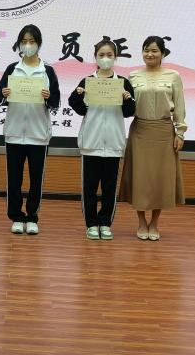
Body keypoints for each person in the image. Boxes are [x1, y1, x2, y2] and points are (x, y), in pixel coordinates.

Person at [119, 36, 187, 241]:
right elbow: (127, 107)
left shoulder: (173, 76)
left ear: (163, 54)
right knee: (140, 178)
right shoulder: (133, 76)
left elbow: (179, 106)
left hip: (164, 132)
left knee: (160, 180)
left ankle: (155, 223)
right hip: (140, 130)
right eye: (146, 50)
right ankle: (141, 221)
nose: (150, 54)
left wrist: (180, 133)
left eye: (154, 50)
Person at [0, 25, 60, 235]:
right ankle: (16, 216)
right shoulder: (12, 69)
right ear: (19, 44)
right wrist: (5, 93)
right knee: (14, 179)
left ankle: (32, 217)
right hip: (14, 133)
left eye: (32, 41)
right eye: (24, 41)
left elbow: (56, 102)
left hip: (38, 134)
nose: (28, 45)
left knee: (36, 179)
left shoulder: (48, 71)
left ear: (39, 44)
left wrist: (48, 97)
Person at [69, 39, 135, 241]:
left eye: (109, 55)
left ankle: (105, 223)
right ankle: (91, 224)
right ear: (95, 57)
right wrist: (78, 95)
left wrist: (127, 98)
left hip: (113, 143)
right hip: (91, 142)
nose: (105, 59)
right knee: (89, 187)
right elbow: (78, 108)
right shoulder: (87, 81)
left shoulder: (123, 83)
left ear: (115, 57)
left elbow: (129, 112)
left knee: (109, 188)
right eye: (101, 55)